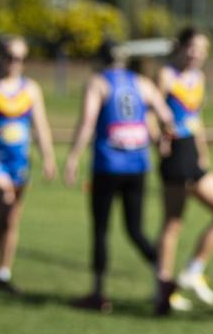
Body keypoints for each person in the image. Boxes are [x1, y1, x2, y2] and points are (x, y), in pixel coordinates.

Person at [64, 41, 176, 312]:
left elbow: (89, 122)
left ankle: (99, 293)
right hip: (137, 164)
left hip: (108, 163)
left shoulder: (98, 83)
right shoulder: (142, 83)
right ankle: (163, 277)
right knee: (135, 229)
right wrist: (163, 141)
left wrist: (73, 156)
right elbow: (167, 116)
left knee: (101, 229)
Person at [152, 28, 213, 315]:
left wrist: (203, 148)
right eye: (192, 47)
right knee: (173, 223)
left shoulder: (198, 79)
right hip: (175, 153)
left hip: (193, 152)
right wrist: (159, 140)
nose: (197, 54)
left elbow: (195, 117)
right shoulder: (165, 76)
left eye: (202, 49)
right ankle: (163, 288)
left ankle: (192, 270)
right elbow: (150, 113)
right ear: (180, 47)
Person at [0, 37, 57, 294]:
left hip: (20, 163)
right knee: (6, 209)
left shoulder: (30, 90)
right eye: (10, 56)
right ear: (0, 56)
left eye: (20, 58)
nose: (14, 63)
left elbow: (40, 126)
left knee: (10, 219)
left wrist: (48, 158)